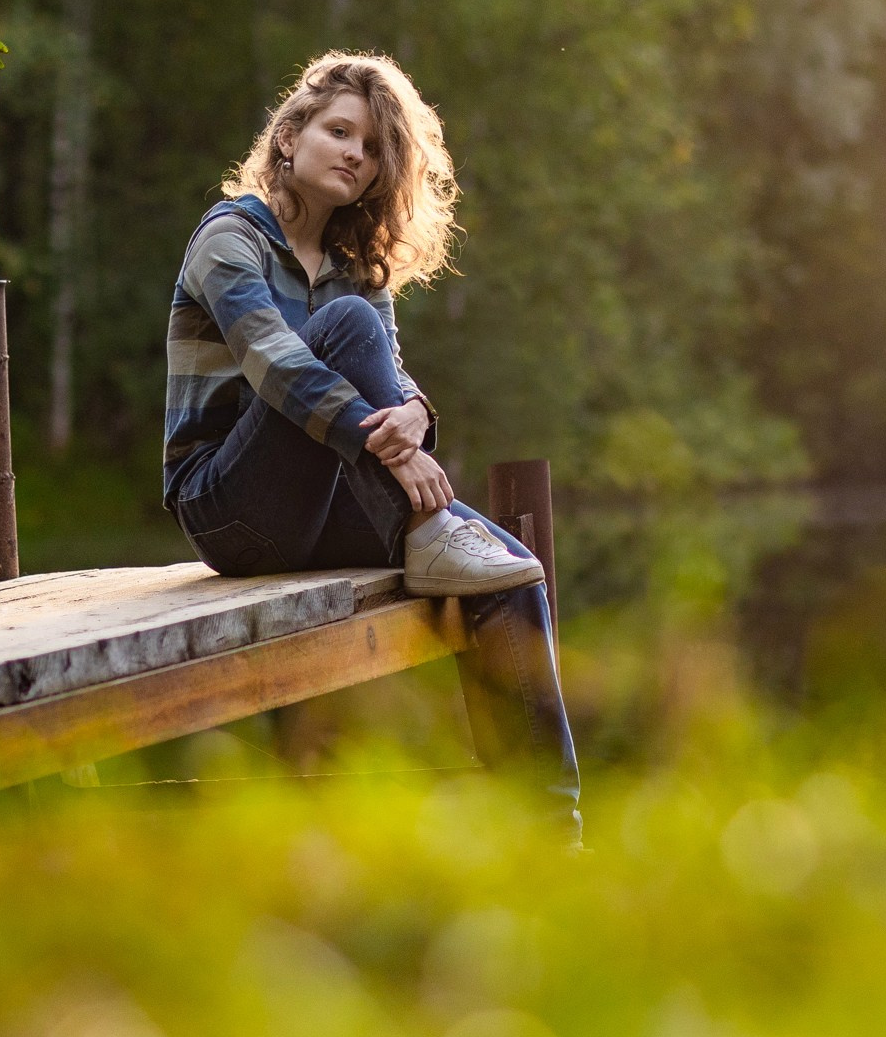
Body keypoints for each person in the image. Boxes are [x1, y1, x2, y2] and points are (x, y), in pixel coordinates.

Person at [163, 52, 580, 832]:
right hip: (228, 504)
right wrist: (403, 451)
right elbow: (278, 367)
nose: (355, 152)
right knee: (343, 328)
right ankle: (426, 527)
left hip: (325, 495)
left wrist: (418, 414)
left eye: (372, 146)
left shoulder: (358, 264)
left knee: (508, 570)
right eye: (339, 130)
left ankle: (550, 834)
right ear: (289, 136)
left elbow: (391, 376)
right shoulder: (229, 240)